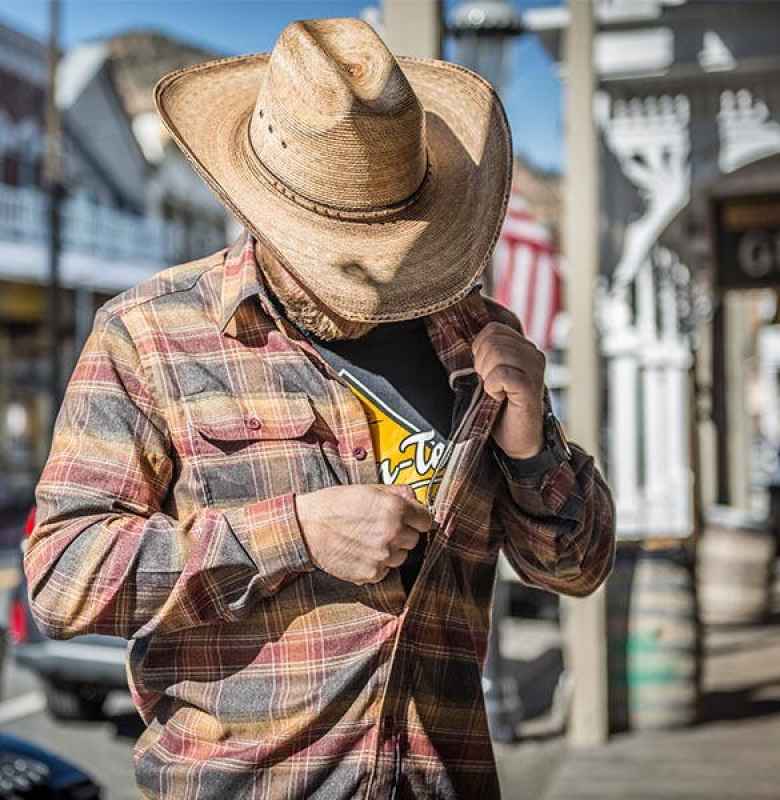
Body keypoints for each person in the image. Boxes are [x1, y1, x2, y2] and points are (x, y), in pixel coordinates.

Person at [25, 17, 615, 800]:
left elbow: (577, 569)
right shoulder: (150, 334)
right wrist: (295, 533)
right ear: (260, 204)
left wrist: (532, 445)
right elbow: (63, 576)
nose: (362, 278)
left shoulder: (475, 339)